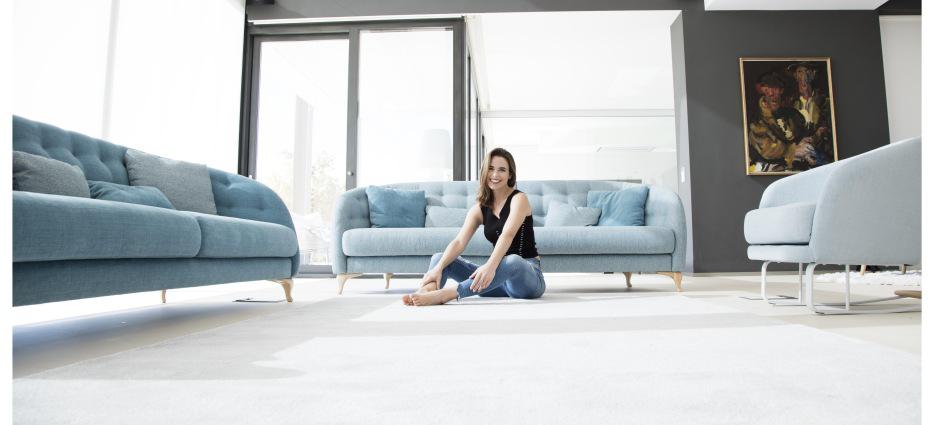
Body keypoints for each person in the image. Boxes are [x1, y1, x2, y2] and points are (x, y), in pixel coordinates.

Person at [403, 148, 545, 306]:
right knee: (439, 259)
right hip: (496, 282)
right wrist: (438, 268)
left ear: (510, 175)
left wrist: (489, 266)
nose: (495, 174)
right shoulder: (479, 209)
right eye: (490, 168)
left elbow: (508, 234)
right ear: (484, 171)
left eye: (502, 170)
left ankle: (447, 294)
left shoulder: (519, 199)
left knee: (512, 261)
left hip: (526, 279)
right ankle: (426, 291)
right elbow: (459, 242)